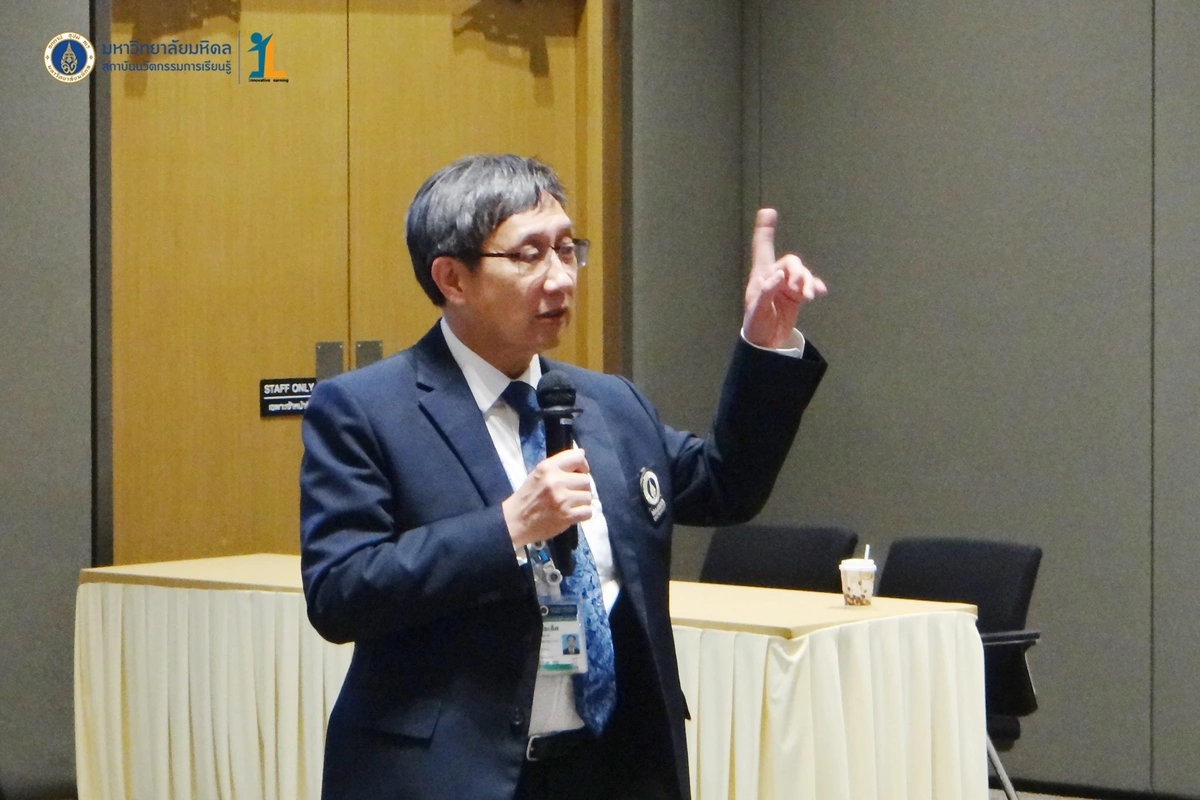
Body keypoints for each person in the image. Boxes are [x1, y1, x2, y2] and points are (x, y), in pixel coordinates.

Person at [299, 154, 828, 800]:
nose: (560, 278)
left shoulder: (608, 404)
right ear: (452, 278)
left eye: (567, 249)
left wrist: (764, 346)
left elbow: (725, 485)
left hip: (609, 768)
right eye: (529, 255)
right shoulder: (366, 410)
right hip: (454, 776)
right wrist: (507, 528)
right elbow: (339, 591)